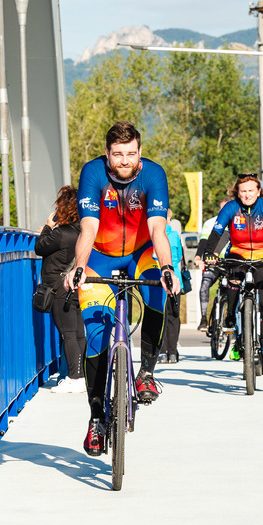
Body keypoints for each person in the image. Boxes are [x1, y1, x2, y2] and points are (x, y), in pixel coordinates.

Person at [66, 121, 180, 457]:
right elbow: (88, 227)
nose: (125, 160)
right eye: (118, 154)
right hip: (99, 255)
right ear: (107, 153)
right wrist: (77, 268)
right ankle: (96, 418)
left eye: (131, 153)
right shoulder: (93, 173)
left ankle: (146, 372)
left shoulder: (153, 175)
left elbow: (159, 229)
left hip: (142, 251)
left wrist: (168, 268)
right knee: (98, 334)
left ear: (140, 152)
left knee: (159, 291)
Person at [203, 173, 263, 374]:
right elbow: (217, 231)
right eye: (243, 191)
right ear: (237, 192)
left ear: (258, 191)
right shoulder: (230, 208)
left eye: (251, 191)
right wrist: (210, 252)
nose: (247, 195)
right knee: (233, 282)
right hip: (238, 255)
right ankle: (230, 315)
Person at [35, 186, 86, 393]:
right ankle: (81, 375)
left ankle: (74, 377)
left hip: (59, 287)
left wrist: (48, 226)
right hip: (77, 284)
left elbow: (39, 247)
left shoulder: (61, 234)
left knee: (67, 333)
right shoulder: (83, 233)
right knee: (78, 332)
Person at [194, 198, 230, 332]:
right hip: (213, 262)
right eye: (222, 209)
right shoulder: (210, 223)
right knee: (204, 285)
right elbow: (204, 241)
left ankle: (230, 318)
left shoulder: (237, 221)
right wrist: (198, 257)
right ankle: (203, 318)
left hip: (231, 262)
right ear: (219, 210)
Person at [158, 209, 185, 363]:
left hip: (157, 280)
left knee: (160, 316)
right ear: (170, 218)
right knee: (174, 316)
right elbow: (180, 256)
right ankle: (173, 353)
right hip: (175, 281)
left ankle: (161, 352)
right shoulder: (174, 235)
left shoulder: (152, 236)